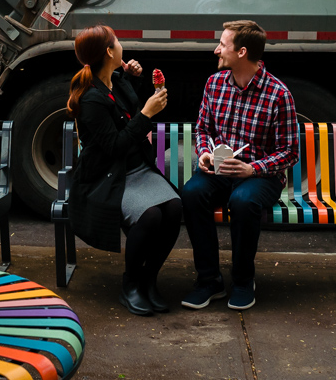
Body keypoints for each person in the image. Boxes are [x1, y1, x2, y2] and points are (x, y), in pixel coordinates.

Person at [180, 20, 299, 311]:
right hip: (220, 169)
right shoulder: (215, 83)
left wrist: (253, 169)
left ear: (242, 52)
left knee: (243, 201)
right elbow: (203, 129)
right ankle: (209, 281)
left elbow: (290, 151)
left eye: (223, 44)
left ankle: (244, 280)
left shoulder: (278, 94)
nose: (216, 50)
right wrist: (205, 153)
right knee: (192, 194)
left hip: (260, 175)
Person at [66, 24, 182, 316]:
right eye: (116, 41)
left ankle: (149, 278)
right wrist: (147, 113)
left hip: (136, 167)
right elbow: (115, 145)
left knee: (175, 207)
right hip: (108, 176)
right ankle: (130, 284)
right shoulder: (92, 98)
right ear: (108, 51)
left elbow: (127, 109)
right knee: (151, 215)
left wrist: (134, 78)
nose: (121, 44)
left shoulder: (114, 79)